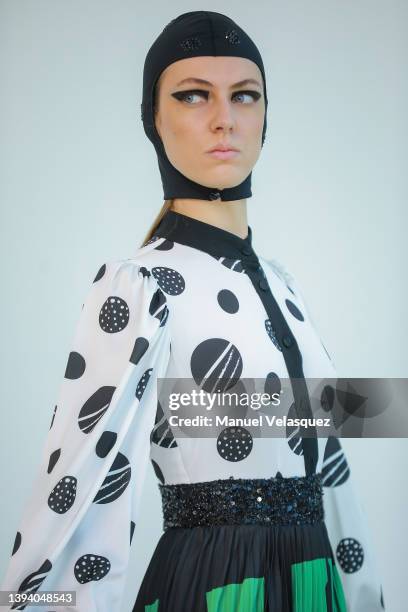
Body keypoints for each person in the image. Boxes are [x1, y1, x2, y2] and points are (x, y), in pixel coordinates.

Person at [1, 10, 385, 612]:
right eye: (192, 95)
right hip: (217, 583)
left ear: (266, 116)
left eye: (245, 95)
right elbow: (74, 489)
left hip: (315, 581)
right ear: (154, 120)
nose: (224, 118)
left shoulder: (283, 286)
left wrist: (363, 594)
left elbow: (323, 440)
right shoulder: (138, 285)